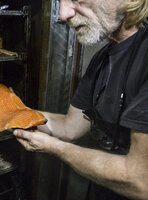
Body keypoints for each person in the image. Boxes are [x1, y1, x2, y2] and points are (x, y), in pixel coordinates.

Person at [13, 0, 148, 199]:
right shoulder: (102, 59)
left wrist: (55, 147)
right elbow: (70, 127)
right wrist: (13, 112)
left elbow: (140, 181)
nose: (63, 14)